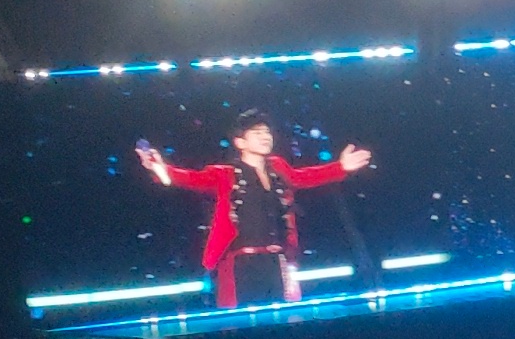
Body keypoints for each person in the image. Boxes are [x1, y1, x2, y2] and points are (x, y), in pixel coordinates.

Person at [136, 109, 371, 308]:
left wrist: (340, 167)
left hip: (277, 259)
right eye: (257, 133)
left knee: (283, 317)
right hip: (240, 263)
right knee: (241, 320)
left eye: (267, 132)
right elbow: (191, 178)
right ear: (240, 142)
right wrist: (159, 168)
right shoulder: (225, 174)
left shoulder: (278, 167)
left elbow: (304, 177)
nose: (265, 137)